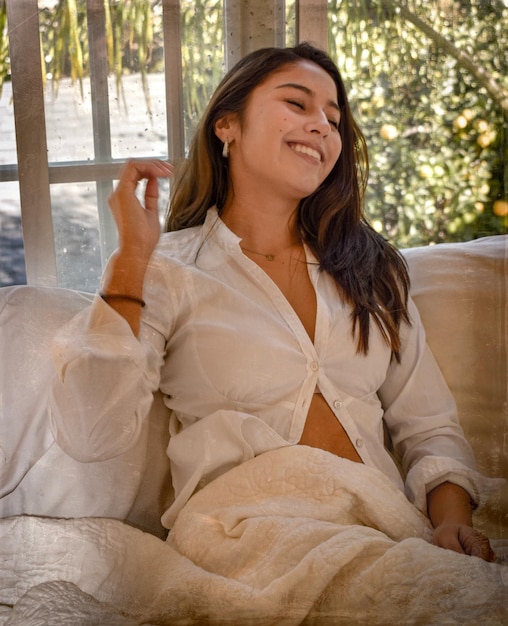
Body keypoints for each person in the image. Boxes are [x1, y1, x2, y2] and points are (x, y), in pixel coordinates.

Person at [50, 43, 498, 562]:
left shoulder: (372, 273)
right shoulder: (168, 269)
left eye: (334, 118)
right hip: (242, 536)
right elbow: (90, 432)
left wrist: (451, 523)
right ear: (227, 126)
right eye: (298, 103)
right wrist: (131, 257)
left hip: (387, 529)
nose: (323, 126)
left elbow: (430, 428)